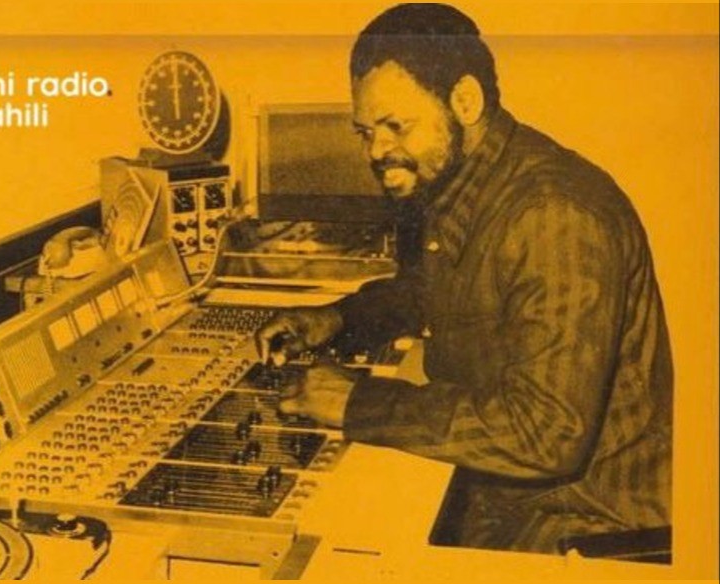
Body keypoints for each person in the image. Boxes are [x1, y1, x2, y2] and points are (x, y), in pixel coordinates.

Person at [256, 3, 672, 556]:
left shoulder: (555, 214)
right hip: (517, 499)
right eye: (365, 132)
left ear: (466, 102)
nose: (376, 151)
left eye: (396, 126)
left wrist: (359, 403)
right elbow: (436, 287)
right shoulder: (470, 182)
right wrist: (336, 319)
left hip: (587, 524)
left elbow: (545, 434)